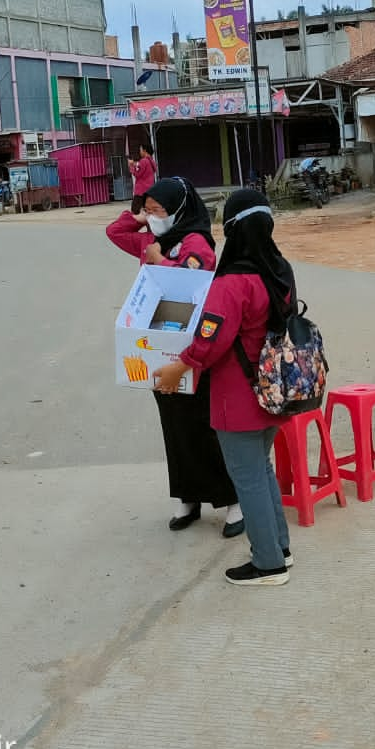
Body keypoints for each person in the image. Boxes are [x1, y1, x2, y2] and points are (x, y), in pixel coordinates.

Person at [155, 188, 294, 587]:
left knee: (247, 478)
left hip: (238, 397)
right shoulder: (278, 270)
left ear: (233, 229)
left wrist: (178, 367)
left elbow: (209, 340)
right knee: (260, 472)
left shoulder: (233, 282)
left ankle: (268, 564)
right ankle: (280, 547)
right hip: (271, 390)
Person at [105, 177, 243, 537]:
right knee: (174, 426)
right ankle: (188, 496)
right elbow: (113, 232)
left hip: (193, 349)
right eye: (148, 211)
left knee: (204, 426)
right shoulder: (151, 238)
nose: (153, 217)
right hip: (156, 346)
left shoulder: (195, 242)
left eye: (158, 211)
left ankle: (233, 502)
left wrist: (160, 262)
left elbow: (194, 283)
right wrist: (138, 219)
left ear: (179, 209)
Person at [128, 143, 157, 213]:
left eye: (140, 150)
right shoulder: (152, 161)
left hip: (141, 191)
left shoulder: (143, 161)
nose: (140, 152)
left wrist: (131, 166)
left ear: (145, 150)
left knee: (135, 211)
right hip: (149, 190)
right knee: (148, 212)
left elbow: (137, 174)